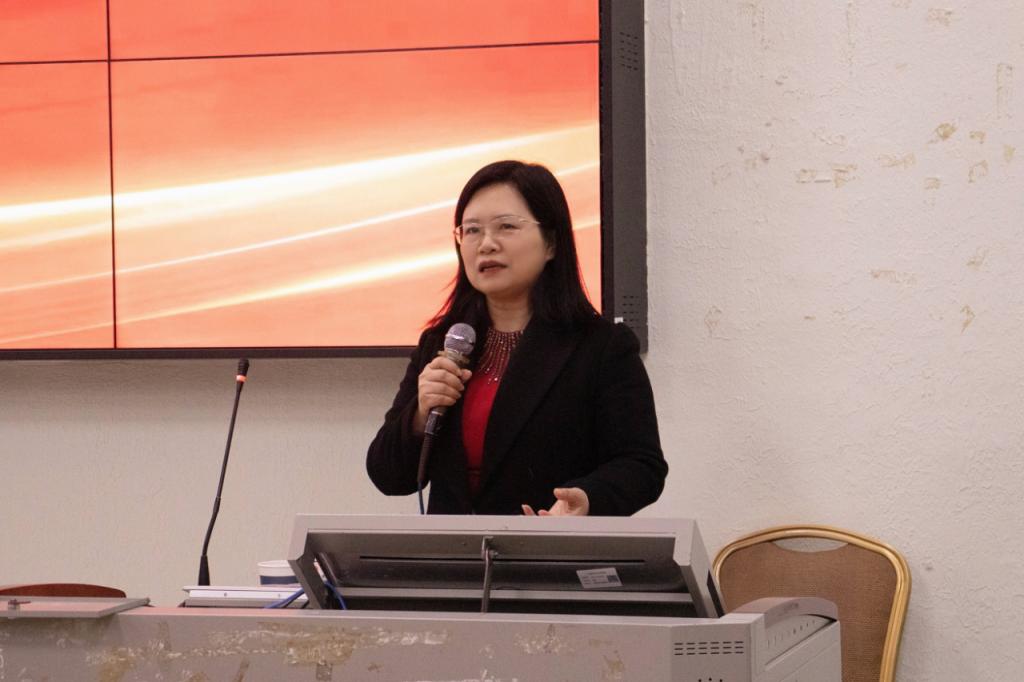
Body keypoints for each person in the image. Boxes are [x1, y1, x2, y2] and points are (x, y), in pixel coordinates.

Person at [366, 160, 666, 515]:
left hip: (549, 546)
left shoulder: (601, 347)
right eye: (472, 230)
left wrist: (587, 499)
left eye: (506, 226)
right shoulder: (442, 344)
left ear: (551, 242)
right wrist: (419, 415)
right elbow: (388, 476)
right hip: (454, 550)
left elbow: (641, 466)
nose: (486, 244)